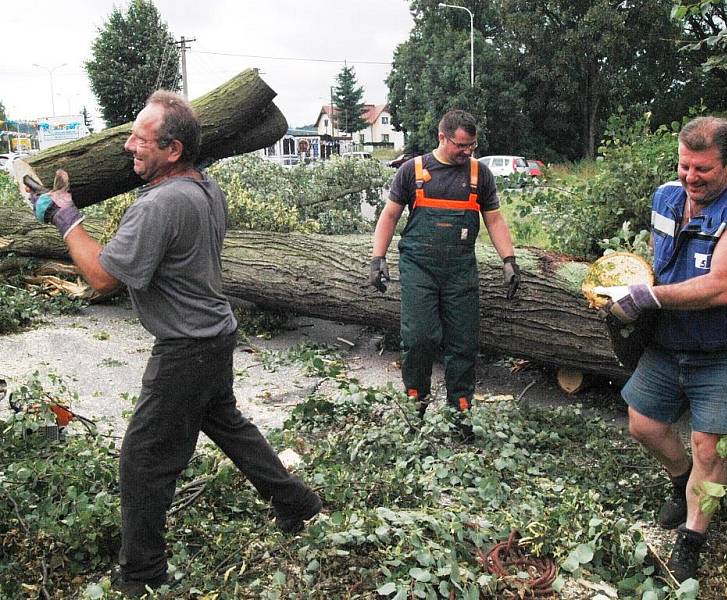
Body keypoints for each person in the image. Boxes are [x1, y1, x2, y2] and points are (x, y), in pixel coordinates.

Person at [26, 90, 321, 597]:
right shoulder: (206, 189)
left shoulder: (160, 205)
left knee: (142, 461)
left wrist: (65, 217)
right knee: (228, 425)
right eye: (131, 138)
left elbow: (100, 277)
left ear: (174, 149)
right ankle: (298, 504)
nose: (129, 149)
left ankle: (141, 576)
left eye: (141, 141)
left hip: (186, 349)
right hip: (215, 337)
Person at [594, 116, 727, 582]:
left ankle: (692, 539)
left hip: (726, 349)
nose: (690, 178)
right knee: (644, 423)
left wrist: (649, 298)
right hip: (669, 340)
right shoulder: (666, 197)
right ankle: (683, 484)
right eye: (684, 166)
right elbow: (662, 263)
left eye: (703, 169)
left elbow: (722, 287)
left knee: (708, 447)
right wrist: (625, 288)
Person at [368, 109, 520, 433]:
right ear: (442, 137)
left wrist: (509, 261)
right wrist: (377, 258)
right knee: (419, 337)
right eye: (461, 145)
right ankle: (415, 409)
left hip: (460, 270)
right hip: (418, 267)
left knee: (463, 344)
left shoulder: (480, 175)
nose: (467, 152)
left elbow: (494, 220)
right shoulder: (413, 171)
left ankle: (460, 415)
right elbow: (390, 216)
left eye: (472, 146)